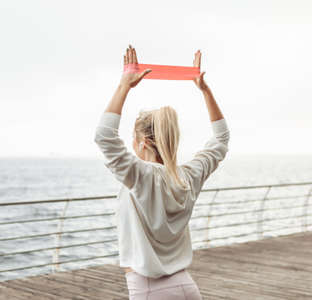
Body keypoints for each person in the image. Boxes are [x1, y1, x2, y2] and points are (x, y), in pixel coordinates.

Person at [94, 44, 230, 300]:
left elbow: (104, 137)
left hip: (148, 291)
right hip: (187, 288)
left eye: (133, 138)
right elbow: (221, 139)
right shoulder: (188, 176)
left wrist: (124, 84)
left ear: (142, 142)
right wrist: (205, 90)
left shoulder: (139, 176)